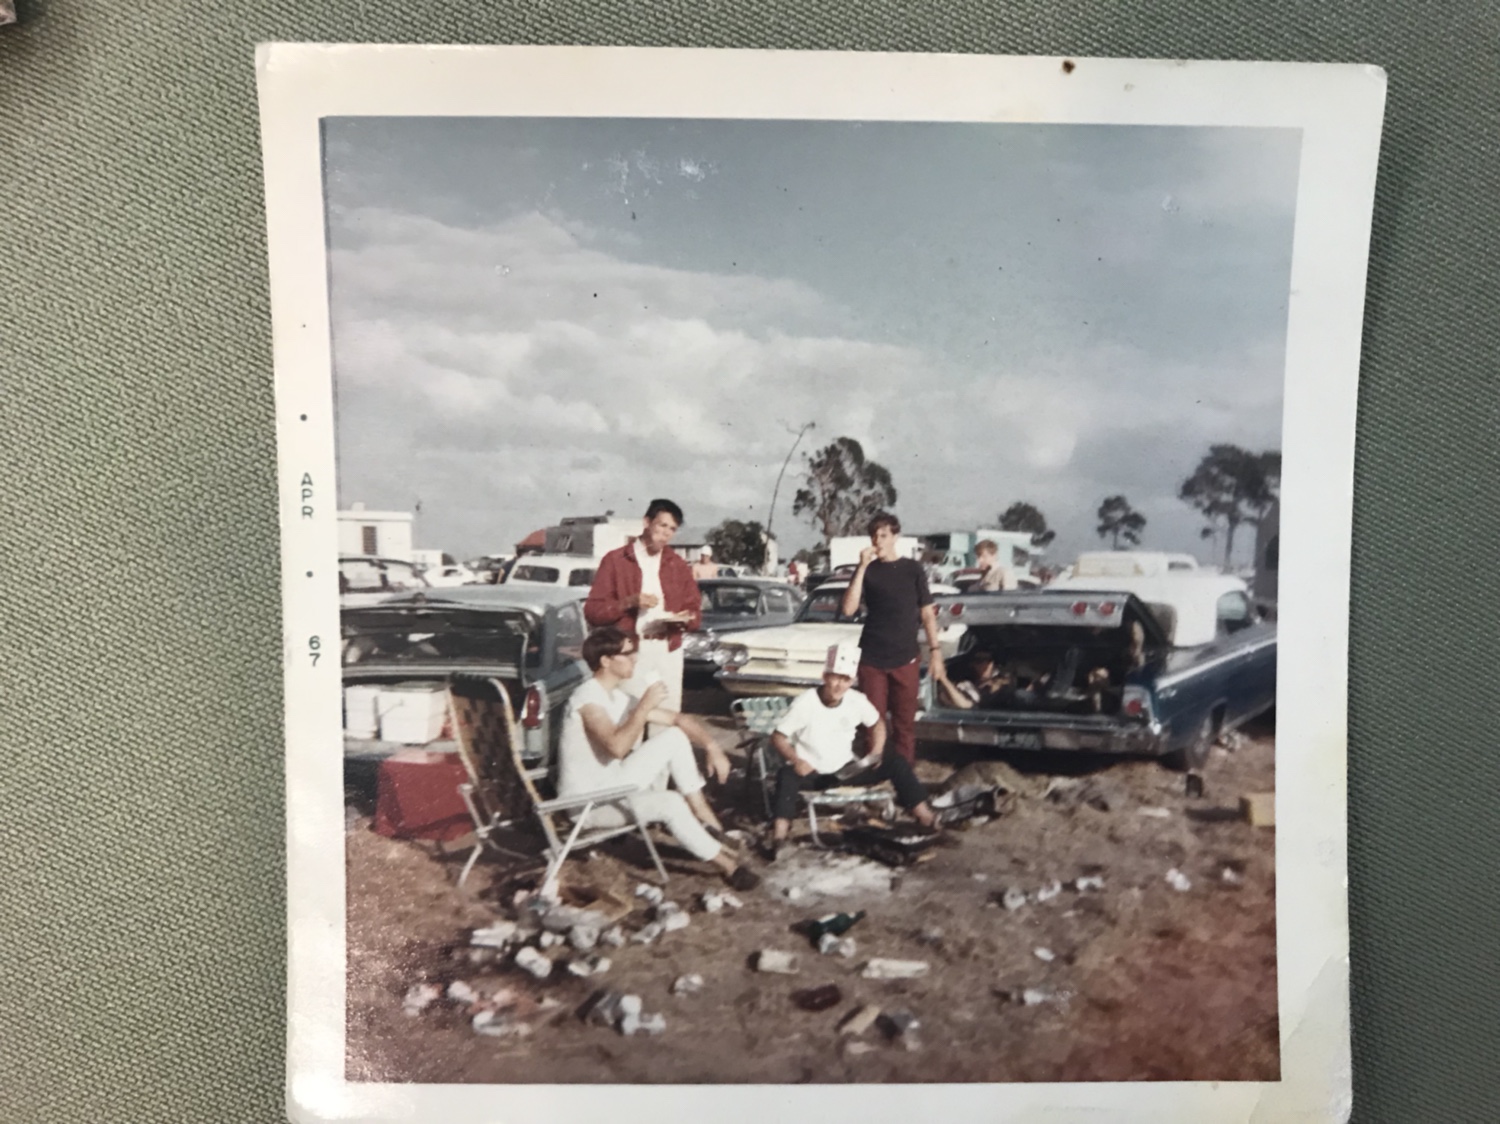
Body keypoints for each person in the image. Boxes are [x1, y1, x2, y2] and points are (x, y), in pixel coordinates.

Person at [559, 627, 760, 891]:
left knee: (674, 737)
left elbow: (678, 719)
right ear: (606, 661)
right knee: (669, 802)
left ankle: (709, 823)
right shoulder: (586, 698)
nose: (635, 659)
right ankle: (728, 866)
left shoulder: (617, 696)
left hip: (613, 785)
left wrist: (713, 748)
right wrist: (643, 706)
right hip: (589, 803)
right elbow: (616, 747)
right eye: (627, 654)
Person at [763, 641, 940, 859]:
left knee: (897, 763)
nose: (839, 685)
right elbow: (778, 737)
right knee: (786, 775)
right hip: (814, 773)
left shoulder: (856, 700)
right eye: (836, 678)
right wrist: (796, 759)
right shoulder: (805, 702)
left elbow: (877, 724)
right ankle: (779, 837)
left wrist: (876, 751)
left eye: (845, 679)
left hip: (846, 771)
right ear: (825, 677)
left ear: (852, 681)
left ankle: (925, 817)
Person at [840, 512, 945, 765]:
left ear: (895, 537)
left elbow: (927, 613)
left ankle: (902, 773)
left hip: (905, 657)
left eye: (884, 535)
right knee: (872, 721)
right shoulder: (868, 570)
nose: (878, 541)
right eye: (874, 536)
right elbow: (848, 609)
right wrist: (861, 567)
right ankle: (874, 772)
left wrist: (935, 651)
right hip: (872, 658)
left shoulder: (912, 569)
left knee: (904, 723)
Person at [584, 498, 701, 718]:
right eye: (662, 525)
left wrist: (686, 618)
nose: (666, 533)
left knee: (666, 721)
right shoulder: (616, 560)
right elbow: (593, 612)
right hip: (631, 653)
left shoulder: (678, 565)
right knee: (629, 720)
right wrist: (628, 603)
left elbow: (694, 610)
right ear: (647, 522)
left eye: (672, 529)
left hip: (668, 652)